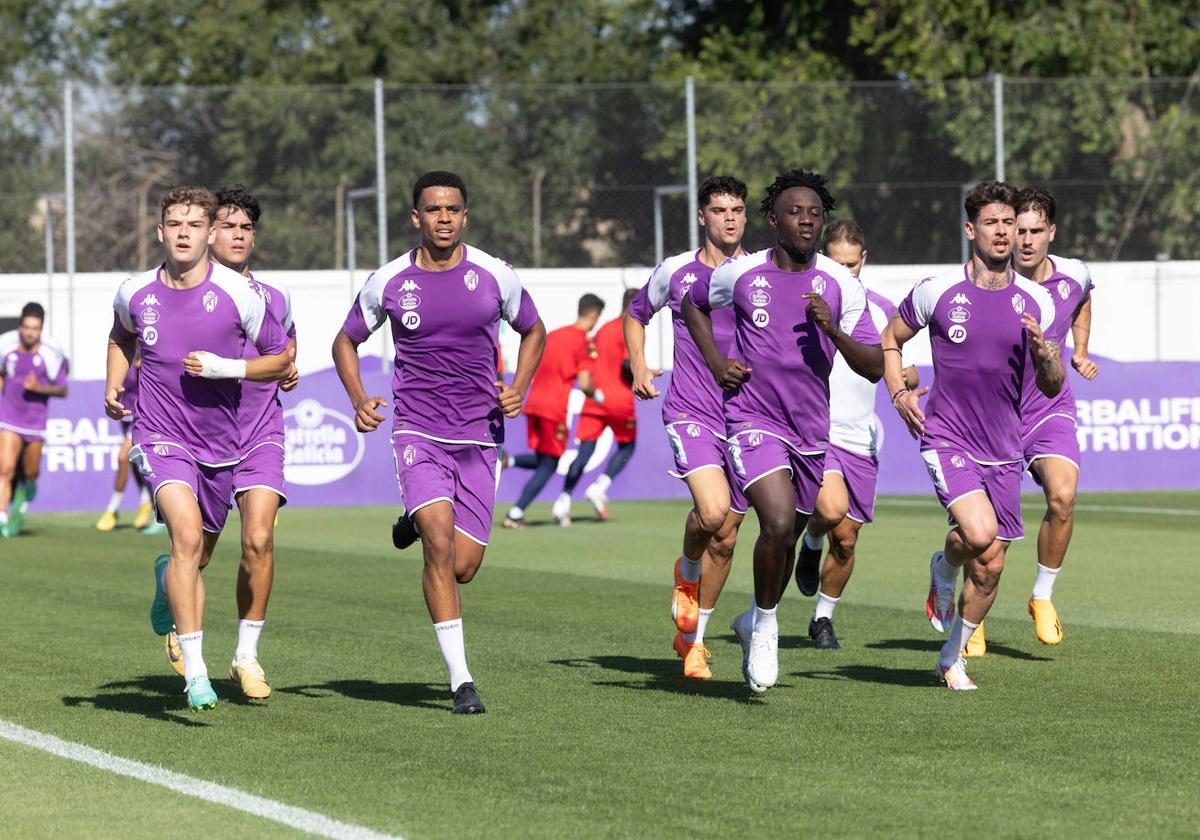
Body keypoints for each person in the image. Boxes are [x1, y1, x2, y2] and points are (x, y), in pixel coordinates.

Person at [332, 170, 545, 715]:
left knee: (464, 565)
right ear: (416, 217)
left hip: (479, 435)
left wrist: (519, 386)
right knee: (439, 544)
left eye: (452, 209)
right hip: (418, 430)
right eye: (433, 210)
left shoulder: (496, 275)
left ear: (465, 216)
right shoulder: (389, 281)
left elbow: (534, 330)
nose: (443, 218)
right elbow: (346, 340)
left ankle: (415, 518)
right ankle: (461, 681)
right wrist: (359, 397)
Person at [684, 169, 883, 693]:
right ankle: (768, 626)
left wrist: (833, 329)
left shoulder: (840, 284)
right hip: (753, 419)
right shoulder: (742, 274)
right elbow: (693, 304)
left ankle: (751, 617)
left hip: (812, 430)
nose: (806, 220)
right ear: (773, 220)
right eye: (795, 212)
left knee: (789, 533)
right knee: (774, 522)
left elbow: (874, 366)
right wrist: (716, 361)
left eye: (814, 213)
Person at [106, 185, 292, 712]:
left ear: (207, 233)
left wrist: (226, 367)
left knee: (213, 550)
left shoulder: (243, 295)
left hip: (227, 441)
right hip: (162, 435)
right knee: (189, 539)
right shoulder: (134, 292)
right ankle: (198, 672)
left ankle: (171, 584)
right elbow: (121, 337)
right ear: (160, 231)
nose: (184, 233)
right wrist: (112, 385)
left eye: (194, 224)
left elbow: (279, 357)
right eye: (175, 224)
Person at [880, 180, 1064, 691]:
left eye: (1009, 222)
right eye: (992, 222)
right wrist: (899, 394)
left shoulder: (1036, 302)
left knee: (991, 564)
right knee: (980, 534)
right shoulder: (937, 291)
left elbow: (1052, 386)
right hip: (947, 435)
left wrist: (1047, 354)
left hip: (1005, 446)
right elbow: (891, 340)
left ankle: (951, 653)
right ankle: (944, 566)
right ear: (971, 230)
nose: (1003, 232)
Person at [164, 186, 300, 699]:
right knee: (194, 554)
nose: (238, 236)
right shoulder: (185, 291)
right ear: (205, 231)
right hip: (204, 435)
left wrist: (289, 370)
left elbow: (285, 350)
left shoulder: (275, 297)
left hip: (262, 430)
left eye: (246, 228)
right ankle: (174, 605)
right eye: (228, 226)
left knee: (260, 538)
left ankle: (247, 656)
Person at [625, 174, 750, 679]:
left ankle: (694, 641)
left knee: (726, 535)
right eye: (719, 210)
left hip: (748, 417)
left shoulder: (760, 274)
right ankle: (687, 567)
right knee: (714, 510)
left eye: (737, 209)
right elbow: (636, 314)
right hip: (691, 409)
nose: (729, 218)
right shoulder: (675, 272)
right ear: (703, 216)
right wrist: (638, 363)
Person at [962, 187, 1097, 656]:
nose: (1024, 239)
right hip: (993, 416)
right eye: (1017, 230)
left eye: (1036, 231)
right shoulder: (988, 280)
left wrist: (1078, 350)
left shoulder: (1073, 275)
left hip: (1047, 408)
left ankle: (1041, 596)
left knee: (1062, 495)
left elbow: (1082, 301)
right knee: (988, 533)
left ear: (1051, 233)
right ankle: (971, 614)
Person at [793, 221, 919, 649]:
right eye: (837, 263)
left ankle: (822, 619)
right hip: (818, 430)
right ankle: (810, 540)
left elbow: (898, 362)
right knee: (830, 510)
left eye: (853, 263)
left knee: (846, 541)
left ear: (863, 260)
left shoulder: (882, 308)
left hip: (862, 438)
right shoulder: (806, 302)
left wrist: (905, 379)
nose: (845, 272)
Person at [503, 294, 602, 528]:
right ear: (593, 315)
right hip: (554, 407)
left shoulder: (554, 334)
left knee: (543, 458)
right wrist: (598, 396)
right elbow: (586, 383)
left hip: (534, 402)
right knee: (551, 464)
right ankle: (515, 514)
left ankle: (510, 460)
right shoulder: (583, 343)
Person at [562, 287, 639, 521]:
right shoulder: (630, 328)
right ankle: (599, 487)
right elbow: (627, 365)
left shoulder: (603, 329)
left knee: (584, 452)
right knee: (627, 446)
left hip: (594, 398)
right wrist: (640, 374)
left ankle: (562, 502)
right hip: (618, 400)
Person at [0, 302, 69, 538]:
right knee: (5, 469)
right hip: (8, 418)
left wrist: (37, 387)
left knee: (30, 472)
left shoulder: (50, 355)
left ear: (41, 329)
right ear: (20, 327)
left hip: (35, 423)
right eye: (27, 327)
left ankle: (26, 489)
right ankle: (2, 518)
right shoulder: (6, 348)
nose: (30, 332)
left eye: (35, 328)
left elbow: (62, 390)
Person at [95, 356, 161, 534]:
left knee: (123, 457)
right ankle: (147, 502)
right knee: (137, 462)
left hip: (142, 418)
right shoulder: (123, 357)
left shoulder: (148, 357)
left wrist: (143, 366)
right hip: (125, 419)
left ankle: (112, 510)